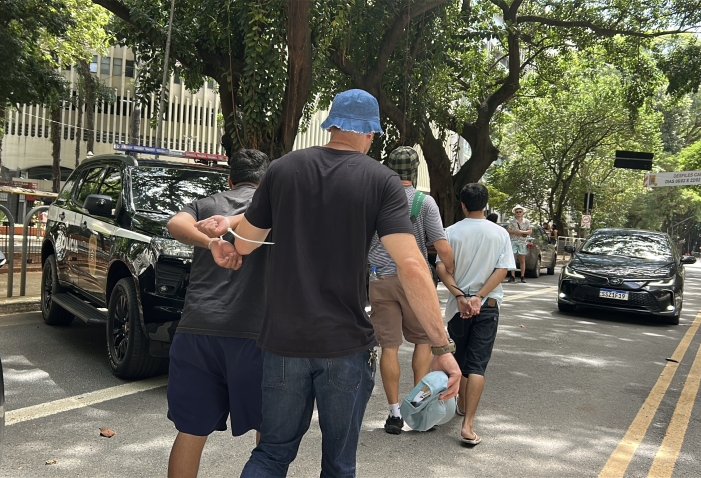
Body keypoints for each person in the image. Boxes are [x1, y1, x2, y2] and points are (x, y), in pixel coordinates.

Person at [195, 89, 461, 477]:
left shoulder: (282, 169)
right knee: (339, 464)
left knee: (271, 454)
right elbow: (412, 266)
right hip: (344, 345)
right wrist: (441, 346)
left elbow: (247, 244)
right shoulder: (382, 181)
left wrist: (226, 234)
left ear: (332, 125)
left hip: (283, 343)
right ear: (370, 133)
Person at [164, 149, 271, 478]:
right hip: (256, 336)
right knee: (269, 435)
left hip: (197, 329)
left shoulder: (206, 205)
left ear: (229, 179)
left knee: (190, 431)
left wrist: (211, 242)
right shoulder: (273, 208)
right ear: (266, 179)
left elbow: (175, 224)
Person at [367, 145, 454, 435]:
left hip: (380, 278)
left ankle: (393, 414)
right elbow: (441, 246)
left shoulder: (374, 199)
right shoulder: (424, 203)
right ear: (415, 170)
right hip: (413, 281)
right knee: (423, 342)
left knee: (389, 347)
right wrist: (451, 267)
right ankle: (419, 408)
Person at [436, 183, 515, 446]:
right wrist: (478, 297)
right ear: (485, 204)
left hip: (458, 307)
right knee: (477, 364)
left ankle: (459, 403)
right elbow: (502, 270)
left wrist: (461, 296)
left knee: (458, 360)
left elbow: (441, 268)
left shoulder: (449, 232)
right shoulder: (500, 233)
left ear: (462, 204)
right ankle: (468, 425)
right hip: (487, 304)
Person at [506, 205, 532, 283]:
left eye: (520, 212)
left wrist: (521, 232)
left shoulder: (526, 221)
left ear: (522, 212)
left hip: (522, 241)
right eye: (517, 212)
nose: (518, 213)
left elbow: (530, 231)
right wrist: (515, 232)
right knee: (513, 259)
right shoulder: (512, 221)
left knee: (522, 260)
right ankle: (512, 276)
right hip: (513, 240)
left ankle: (522, 276)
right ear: (515, 213)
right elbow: (508, 230)